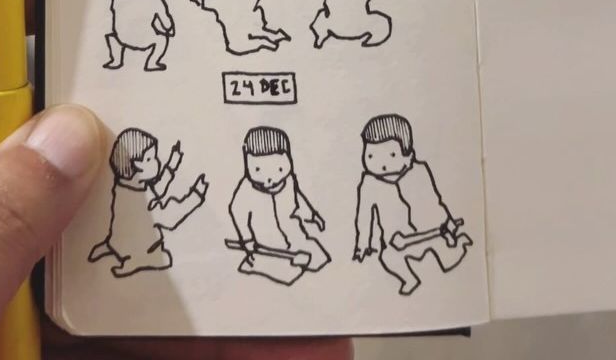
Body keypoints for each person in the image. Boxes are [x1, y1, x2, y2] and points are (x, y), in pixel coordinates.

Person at [0, 0, 351, 359]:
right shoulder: (140, 197)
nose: (272, 175)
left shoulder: (133, 188)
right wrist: (193, 196)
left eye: (278, 166)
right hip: (134, 256)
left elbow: (169, 196)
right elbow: (166, 213)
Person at [354, 114, 473, 295]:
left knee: (449, 257)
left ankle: (459, 245)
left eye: (392, 155)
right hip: (397, 241)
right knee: (388, 258)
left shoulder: (419, 171)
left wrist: (446, 223)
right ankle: (410, 279)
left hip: (432, 232)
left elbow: (435, 200)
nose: (382, 164)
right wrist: (363, 244)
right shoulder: (369, 184)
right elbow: (364, 216)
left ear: (408, 156)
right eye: (371, 155)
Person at [88, 129, 207, 277]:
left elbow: (158, 188)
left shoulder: (124, 186)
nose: (157, 162)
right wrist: (195, 196)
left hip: (118, 240)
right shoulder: (144, 201)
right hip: (140, 249)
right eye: (150, 159)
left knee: (122, 234)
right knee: (164, 258)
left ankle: (111, 246)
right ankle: (133, 261)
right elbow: (169, 216)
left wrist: (171, 165)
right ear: (135, 165)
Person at [227, 127, 330, 286]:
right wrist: (247, 240)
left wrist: (311, 216)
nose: (269, 179)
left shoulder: (289, 181)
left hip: (295, 236)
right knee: (284, 273)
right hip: (267, 245)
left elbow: (298, 199)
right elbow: (237, 213)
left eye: (279, 169)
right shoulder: (246, 189)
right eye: (257, 169)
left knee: (320, 259)